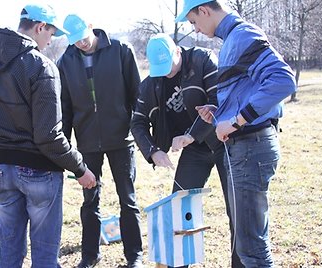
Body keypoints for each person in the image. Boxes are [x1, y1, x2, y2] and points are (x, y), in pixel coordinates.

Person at [0, 2, 97, 268]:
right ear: (40, 27)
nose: (50, 41)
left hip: (2, 168)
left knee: (9, 250)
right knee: (45, 255)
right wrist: (81, 168)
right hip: (39, 169)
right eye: (50, 34)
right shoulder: (42, 66)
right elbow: (49, 135)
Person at [176, 0, 297, 266]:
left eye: (194, 22)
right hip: (246, 147)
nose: (194, 30)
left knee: (251, 249)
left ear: (205, 11)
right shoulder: (233, 38)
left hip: (251, 147)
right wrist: (220, 111)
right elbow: (248, 90)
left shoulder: (242, 35)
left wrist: (237, 120)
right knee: (249, 243)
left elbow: (283, 80)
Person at [131, 33, 243, 268]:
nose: (167, 73)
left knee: (237, 210)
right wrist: (153, 151)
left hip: (226, 142)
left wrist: (192, 134)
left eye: (169, 65)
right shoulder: (151, 82)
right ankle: (178, 263)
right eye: (160, 68)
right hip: (195, 150)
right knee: (178, 206)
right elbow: (137, 122)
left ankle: (240, 264)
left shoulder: (202, 60)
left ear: (178, 52)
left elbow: (219, 99)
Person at [57, 14, 143, 268]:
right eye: (75, 41)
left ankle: (134, 256)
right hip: (86, 142)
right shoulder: (66, 62)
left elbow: (137, 94)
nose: (80, 44)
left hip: (121, 138)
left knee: (128, 199)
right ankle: (90, 255)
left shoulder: (120, 51)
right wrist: (66, 146)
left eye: (83, 38)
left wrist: (136, 130)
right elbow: (65, 106)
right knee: (90, 200)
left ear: (91, 28)